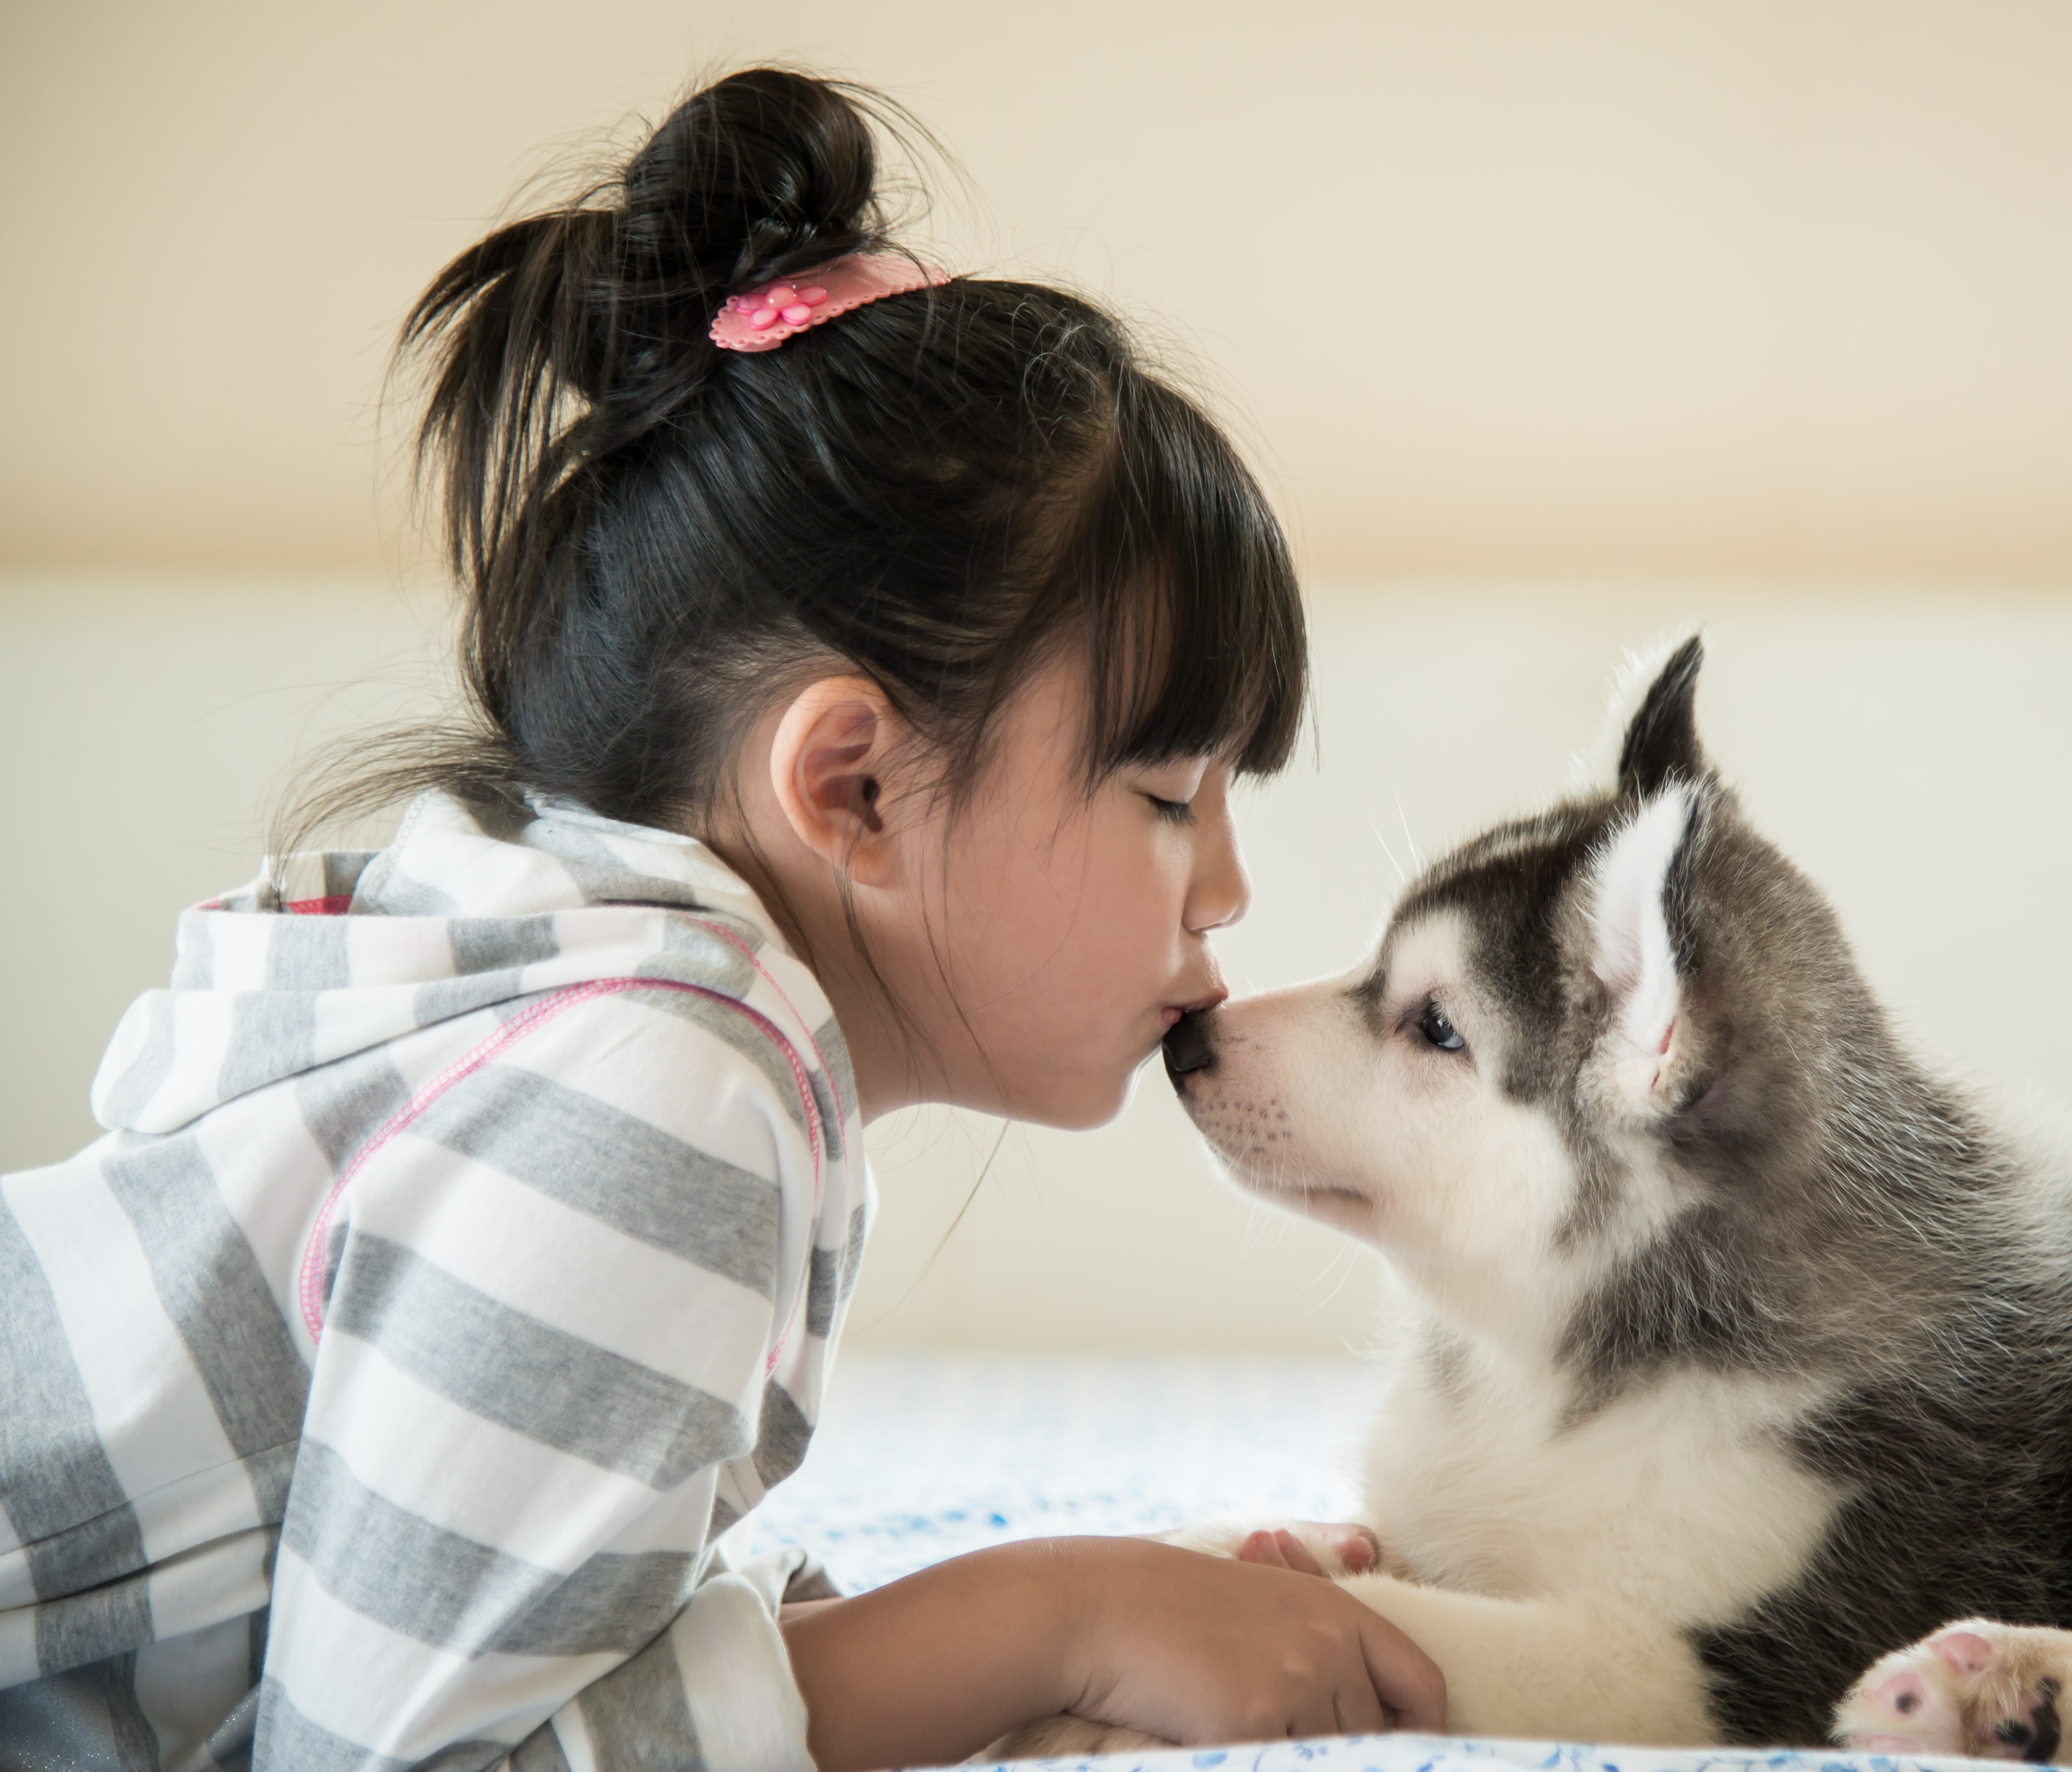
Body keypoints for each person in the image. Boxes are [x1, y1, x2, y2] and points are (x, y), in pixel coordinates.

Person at [0, 66, 1443, 1772]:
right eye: (1165, 791)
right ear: (854, 789)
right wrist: (1063, 1617)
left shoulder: (600, 1009)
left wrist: (1071, 1640)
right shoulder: (658, 1084)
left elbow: (577, 1634)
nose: (1225, 886)